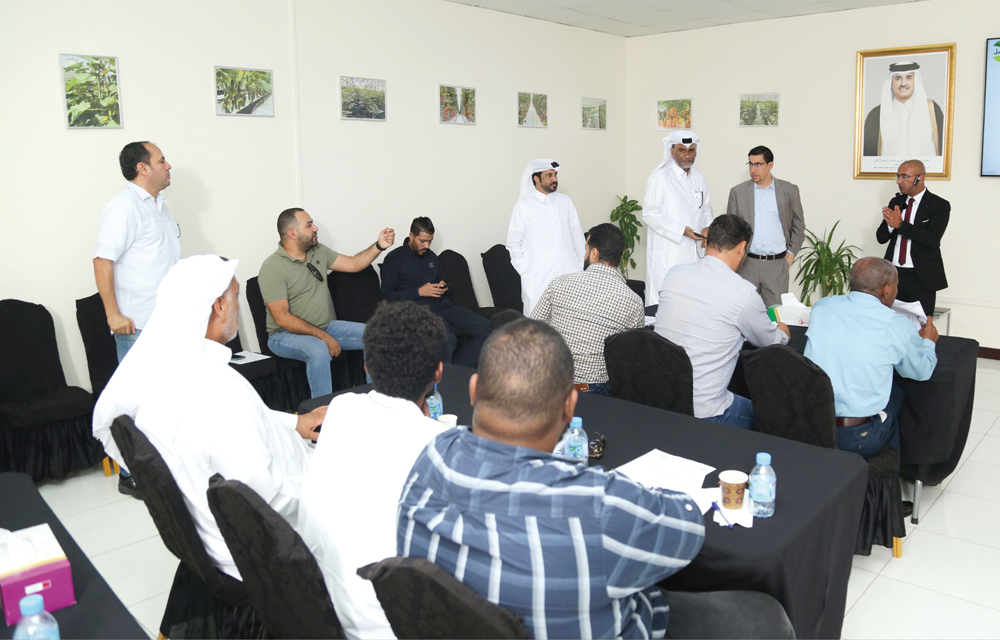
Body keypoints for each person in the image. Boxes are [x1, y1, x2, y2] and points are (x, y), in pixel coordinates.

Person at [397, 319, 795, 639]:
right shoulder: (594, 504)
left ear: (472, 389)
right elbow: (686, 531)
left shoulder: (432, 457)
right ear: (570, 405)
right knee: (764, 617)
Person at [92, 255, 326, 579]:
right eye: (236, 297)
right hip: (277, 542)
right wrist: (334, 488)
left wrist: (292, 423)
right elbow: (263, 496)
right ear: (218, 307)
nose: (238, 307)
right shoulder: (217, 393)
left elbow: (237, 427)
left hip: (220, 536)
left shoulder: (165, 375)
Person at [298, 302, 447, 640]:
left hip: (323, 601)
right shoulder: (442, 445)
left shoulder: (342, 408)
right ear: (438, 371)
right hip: (391, 623)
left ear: (367, 366)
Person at [93, 141, 181, 499]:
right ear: (143, 168)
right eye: (162, 160)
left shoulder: (160, 206)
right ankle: (129, 473)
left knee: (164, 400)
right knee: (134, 403)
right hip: (137, 324)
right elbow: (103, 261)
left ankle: (162, 464)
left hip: (166, 321)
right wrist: (113, 313)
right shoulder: (122, 207)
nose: (168, 165)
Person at [656, 215, 789, 429]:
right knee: (770, 416)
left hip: (661, 399)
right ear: (742, 247)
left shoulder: (674, 274)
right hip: (706, 411)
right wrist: (783, 332)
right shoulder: (743, 292)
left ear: (707, 241)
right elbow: (771, 342)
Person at [805, 257, 939, 458]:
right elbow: (921, 371)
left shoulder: (822, 306)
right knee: (897, 394)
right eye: (896, 286)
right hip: (854, 436)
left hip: (809, 423)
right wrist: (929, 342)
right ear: (886, 289)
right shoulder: (896, 324)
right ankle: (887, 477)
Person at [259, 208, 395, 397]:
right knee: (318, 350)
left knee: (375, 335)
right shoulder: (273, 268)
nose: (315, 228)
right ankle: (321, 416)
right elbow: (282, 318)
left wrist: (379, 246)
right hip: (284, 336)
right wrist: (323, 337)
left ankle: (375, 400)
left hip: (325, 327)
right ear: (292, 234)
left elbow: (353, 263)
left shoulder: (318, 251)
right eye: (309, 225)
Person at [530, 223, 644, 396]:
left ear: (594, 253)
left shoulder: (560, 283)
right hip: (594, 389)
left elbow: (533, 328)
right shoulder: (633, 302)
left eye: (586, 249)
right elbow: (631, 355)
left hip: (550, 381)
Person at [380, 217, 490, 366]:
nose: (426, 245)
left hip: (443, 307)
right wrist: (419, 291)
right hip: (417, 311)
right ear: (411, 236)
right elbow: (387, 296)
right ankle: (447, 379)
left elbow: (442, 282)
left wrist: (442, 286)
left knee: (488, 329)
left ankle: (455, 370)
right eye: (422, 241)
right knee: (447, 340)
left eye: (430, 241)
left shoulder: (431, 257)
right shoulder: (394, 259)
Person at [726, 145, 805, 307]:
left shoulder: (789, 190)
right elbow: (731, 229)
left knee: (775, 315)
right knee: (743, 312)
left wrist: (792, 251)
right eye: (750, 164)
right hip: (747, 264)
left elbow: (798, 224)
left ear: (770, 165)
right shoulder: (738, 192)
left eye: (758, 164)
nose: (753, 169)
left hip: (776, 265)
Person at [642, 130, 714, 305]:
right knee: (666, 304)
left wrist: (707, 226)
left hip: (695, 254)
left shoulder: (699, 177)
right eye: (682, 150)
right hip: (669, 255)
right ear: (672, 151)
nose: (687, 156)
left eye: (691, 150)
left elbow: (706, 208)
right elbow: (649, 214)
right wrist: (681, 230)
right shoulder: (660, 178)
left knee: (691, 302)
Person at [505, 159, 586, 316]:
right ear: (536, 178)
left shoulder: (565, 202)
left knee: (573, 322)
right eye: (549, 175)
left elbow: (577, 237)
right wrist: (525, 269)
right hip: (538, 278)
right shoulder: (524, 207)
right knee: (539, 329)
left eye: (555, 175)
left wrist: (579, 266)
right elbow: (513, 243)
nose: (554, 179)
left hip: (570, 275)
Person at [876, 159, 950, 316]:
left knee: (921, 326)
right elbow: (881, 237)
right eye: (897, 176)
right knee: (889, 322)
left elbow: (932, 239)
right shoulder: (896, 202)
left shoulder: (939, 205)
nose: (899, 181)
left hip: (921, 277)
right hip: (893, 275)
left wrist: (901, 225)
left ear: (920, 178)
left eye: (904, 177)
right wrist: (890, 224)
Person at [863, 61, 945, 156]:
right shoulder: (876, 114)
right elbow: (868, 155)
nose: (903, 83)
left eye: (909, 78)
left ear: (916, 81)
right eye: (898, 78)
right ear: (891, 83)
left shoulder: (932, 110)